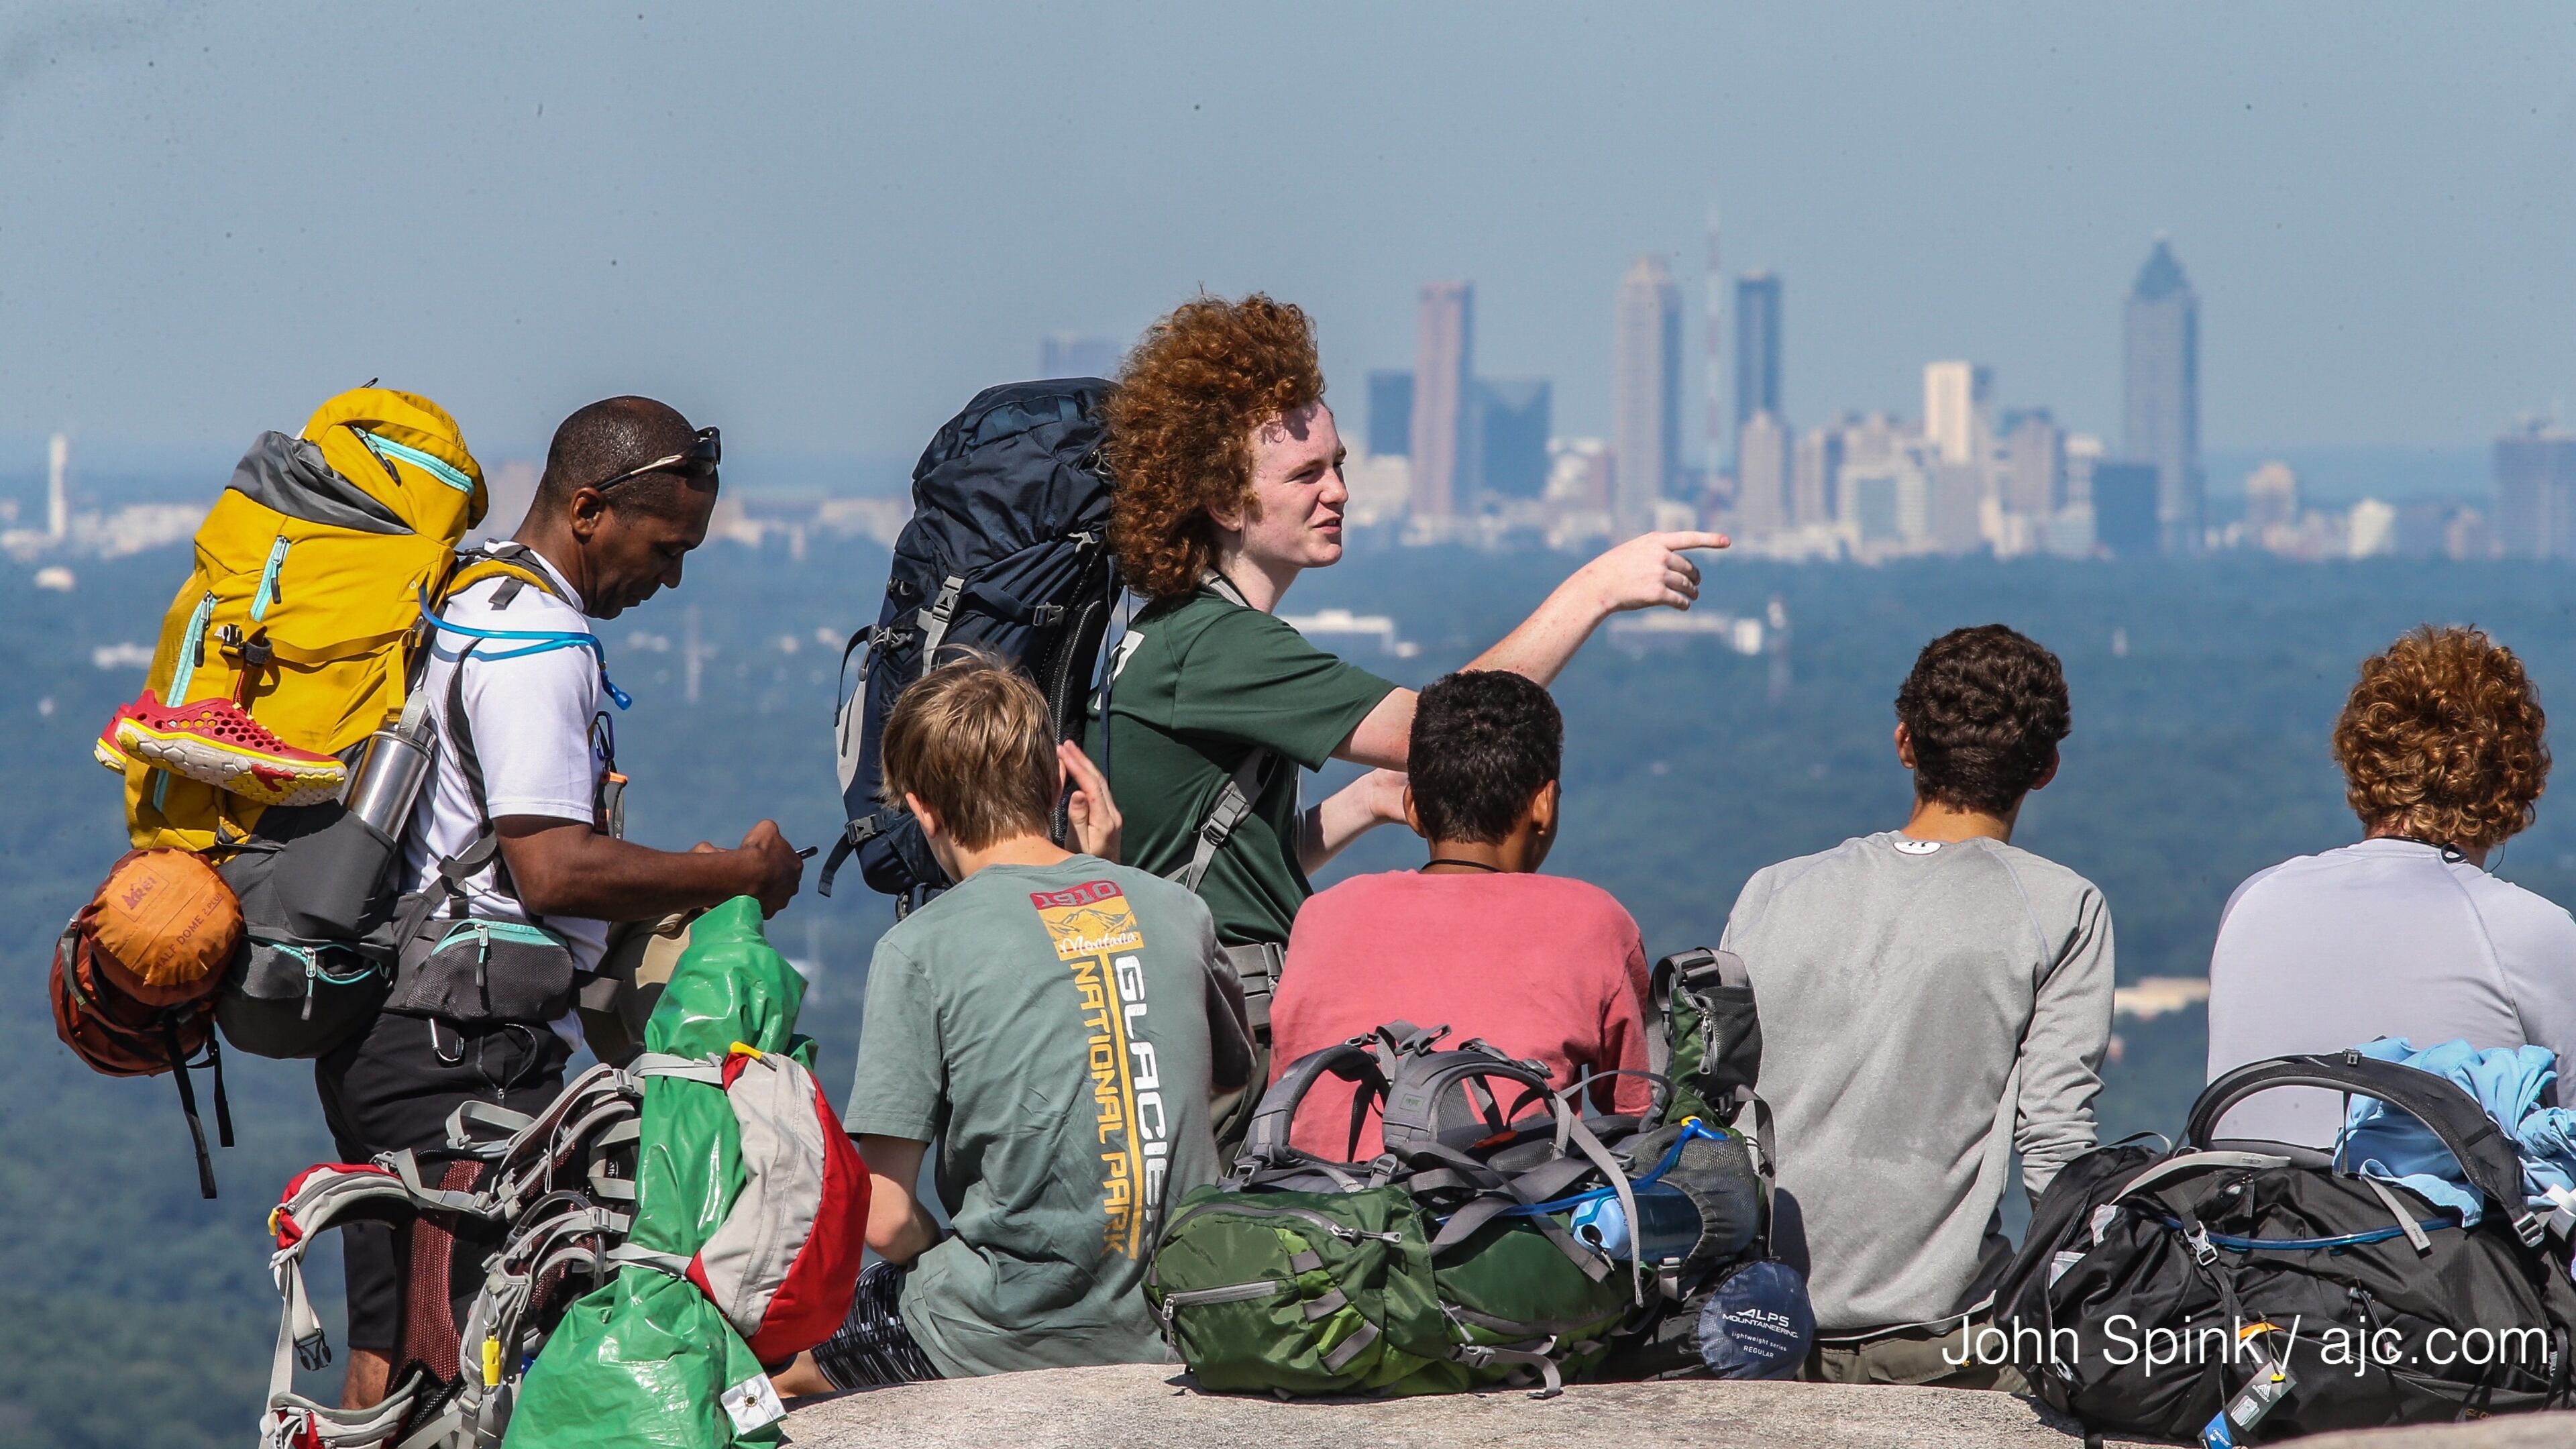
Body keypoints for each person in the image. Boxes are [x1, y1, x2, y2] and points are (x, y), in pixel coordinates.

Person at [320, 396, 806, 1409]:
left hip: (397, 1036)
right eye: (666, 546)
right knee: (471, 1353)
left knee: (395, 1343)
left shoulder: (476, 591)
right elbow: (553, 872)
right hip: (458, 1052)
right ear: (588, 510)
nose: (670, 576)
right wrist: (735, 877)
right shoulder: (539, 643)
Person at [1092, 292, 1727, 1023]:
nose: (1339, 491)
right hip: (1215, 1026)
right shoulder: (1217, 647)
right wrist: (1594, 592)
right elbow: (1449, 735)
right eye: (1306, 475)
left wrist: (1362, 802)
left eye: (1338, 465)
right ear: (1223, 502)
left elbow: (1235, 868)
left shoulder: (1172, 633)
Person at [777, 654, 1244, 1392]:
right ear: (1057, 784)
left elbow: (887, 1216)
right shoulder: (1175, 910)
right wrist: (1109, 877)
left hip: (1004, 1328)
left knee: (779, 1370)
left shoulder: (920, 946)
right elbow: (1204, 1073)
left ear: (923, 807)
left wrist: (943, 1261)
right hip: (1175, 1310)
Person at [1719, 625, 2112, 1391]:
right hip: (1947, 1335)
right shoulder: (2063, 908)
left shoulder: (1771, 891)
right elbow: (2057, 1149)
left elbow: (1716, 1107)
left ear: (1905, 744)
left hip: (1761, 1325)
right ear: (2048, 769)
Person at [2206, 625, 2576, 1147]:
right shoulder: (2531, 932)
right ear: (2512, 781)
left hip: (2242, 1223)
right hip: (2430, 1229)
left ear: (2362, 760)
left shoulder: (2253, 901)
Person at [1267, 670, 1654, 1158]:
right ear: (1545, 804)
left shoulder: (1322, 916)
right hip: (1503, 1219)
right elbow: (1638, 1117)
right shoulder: (1595, 922)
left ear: (1412, 808)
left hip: (1323, 1217)